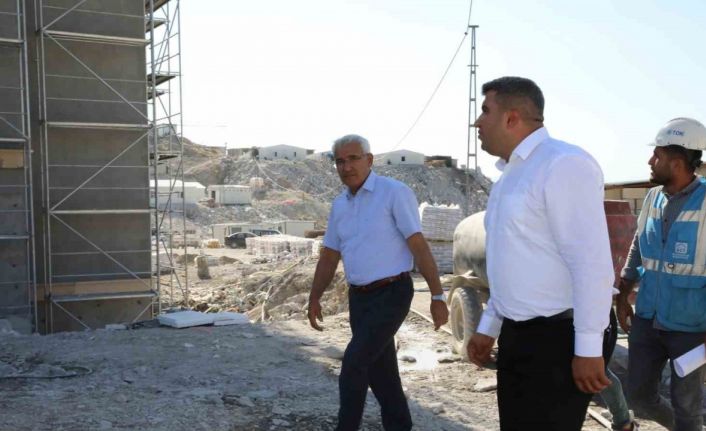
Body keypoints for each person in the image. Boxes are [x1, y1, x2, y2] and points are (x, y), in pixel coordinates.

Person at [467, 76, 615, 430]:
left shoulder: (563, 164)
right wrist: (490, 326)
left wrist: (588, 349)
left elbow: (590, 263)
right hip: (521, 334)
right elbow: (510, 263)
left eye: (485, 110)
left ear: (511, 118)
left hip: (561, 336)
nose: (477, 122)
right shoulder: (509, 177)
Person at [307, 134, 449, 431]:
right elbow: (330, 255)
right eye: (340, 161)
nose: (347, 167)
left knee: (354, 363)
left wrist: (437, 296)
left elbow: (418, 245)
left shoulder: (394, 193)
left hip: (392, 293)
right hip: (359, 298)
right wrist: (314, 296)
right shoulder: (340, 205)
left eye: (353, 159)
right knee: (382, 376)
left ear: (369, 160)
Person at [616, 117, 706, 431]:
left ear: (677, 162)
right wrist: (623, 293)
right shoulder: (653, 197)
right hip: (648, 319)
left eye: (657, 155)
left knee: (688, 405)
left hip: (692, 326)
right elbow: (638, 245)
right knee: (639, 396)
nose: (650, 161)